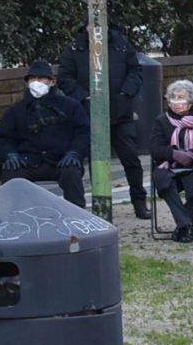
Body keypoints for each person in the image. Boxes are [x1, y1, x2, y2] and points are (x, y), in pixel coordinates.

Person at [59, 20, 149, 219]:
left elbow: (135, 71)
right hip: (90, 114)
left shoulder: (121, 45)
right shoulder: (76, 48)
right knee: (95, 160)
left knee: (131, 159)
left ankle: (139, 201)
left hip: (120, 112)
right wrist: (84, 96)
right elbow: (65, 78)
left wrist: (126, 93)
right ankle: (99, 204)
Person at [0, 60, 90, 205]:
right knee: (11, 173)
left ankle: (78, 217)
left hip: (61, 160)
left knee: (71, 172)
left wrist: (75, 152)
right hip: (28, 161)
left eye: (40, 78)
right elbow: (4, 138)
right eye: (32, 79)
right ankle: (13, 217)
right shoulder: (16, 110)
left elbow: (83, 132)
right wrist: (9, 154)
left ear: (51, 82)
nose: (36, 82)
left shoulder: (70, 106)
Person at [149, 78, 193, 240]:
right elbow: (155, 148)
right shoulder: (162, 121)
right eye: (173, 97)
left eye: (181, 97)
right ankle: (187, 224)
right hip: (168, 165)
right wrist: (174, 154)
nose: (176, 102)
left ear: (192, 100)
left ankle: (182, 224)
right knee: (163, 181)